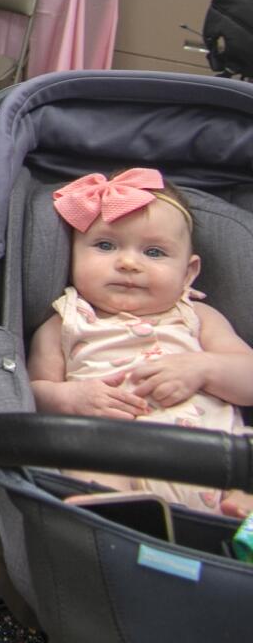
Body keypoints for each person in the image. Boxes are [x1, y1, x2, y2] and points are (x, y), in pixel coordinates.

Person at [29, 167, 253, 513]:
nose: (129, 263)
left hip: (221, 462)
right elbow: (33, 391)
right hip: (116, 455)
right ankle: (114, 517)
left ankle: (241, 507)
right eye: (105, 246)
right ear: (72, 257)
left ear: (188, 272)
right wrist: (69, 398)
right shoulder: (64, 324)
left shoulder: (197, 318)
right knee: (87, 467)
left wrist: (205, 368)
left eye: (154, 253)